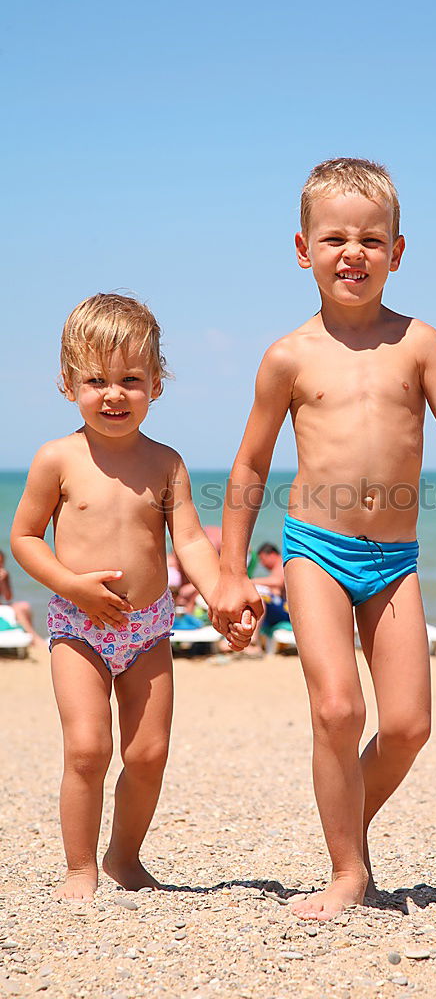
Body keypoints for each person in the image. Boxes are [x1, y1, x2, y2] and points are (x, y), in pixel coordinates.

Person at [212, 158, 436, 920]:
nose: (353, 252)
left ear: (398, 251)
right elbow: (250, 464)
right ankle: (349, 870)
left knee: (408, 726)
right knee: (338, 711)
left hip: (395, 560)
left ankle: (342, 818)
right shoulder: (288, 356)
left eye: (371, 239)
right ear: (301, 248)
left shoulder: (418, 342)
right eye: (335, 238)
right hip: (315, 548)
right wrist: (230, 572)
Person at [11, 293, 253, 902]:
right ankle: (79, 868)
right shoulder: (57, 459)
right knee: (88, 749)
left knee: (147, 753)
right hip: (78, 623)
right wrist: (68, 583)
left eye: (131, 379)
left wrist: (223, 590)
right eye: (96, 380)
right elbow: (23, 538)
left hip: (147, 626)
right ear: (68, 384)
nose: (114, 394)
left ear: (157, 384)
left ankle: (124, 859)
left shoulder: (166, 464)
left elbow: (191, 541)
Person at [0, 548, 46, 647]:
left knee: (23, 606)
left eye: (1, 563)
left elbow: (8, 597)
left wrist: (3, 582)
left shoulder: (4, 575)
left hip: (2, 604)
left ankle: (31, 636)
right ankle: (35, 639)